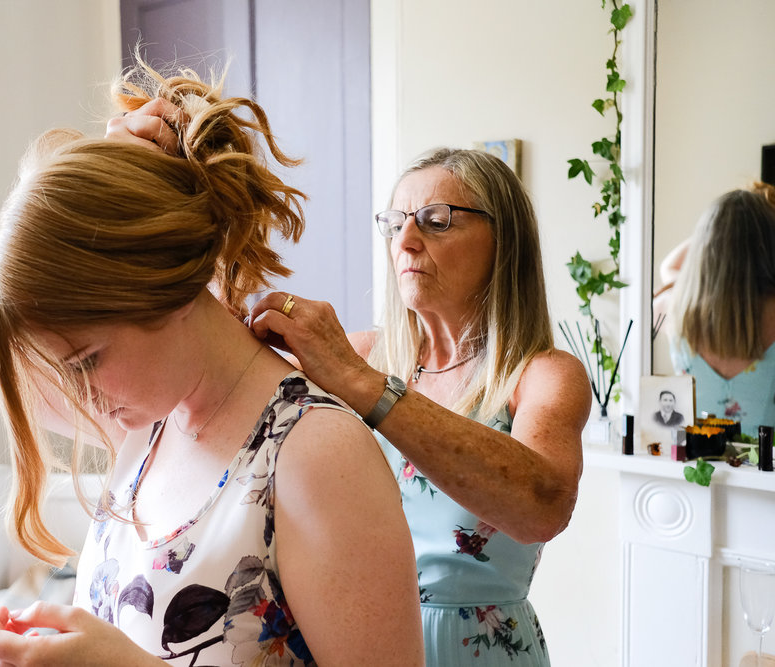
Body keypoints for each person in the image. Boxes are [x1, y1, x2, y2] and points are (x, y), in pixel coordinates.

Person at [0, 63, 424, 666]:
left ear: (168, 290)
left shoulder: (313, 455)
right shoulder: (142, 423)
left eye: (85, 360)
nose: (79, 391)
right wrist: (79, 193)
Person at [247, 148, 591, 666]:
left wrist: (365, 386)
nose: (406, 242)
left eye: (436, 221)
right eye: (395, 224)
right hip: (359, 641)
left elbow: (543, 504)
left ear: (505, 241)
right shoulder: (358, 355)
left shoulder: (542, 374)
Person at [665, 183, 775, 434]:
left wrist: (715, 231)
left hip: (698, 468)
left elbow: (667, 267)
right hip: (768, 470)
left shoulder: (675, 312)